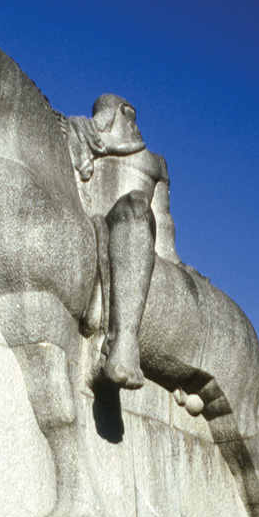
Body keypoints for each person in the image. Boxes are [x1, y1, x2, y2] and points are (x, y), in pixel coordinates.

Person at [67, 95, 186, 390]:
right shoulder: (81, 135)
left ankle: (124, 344)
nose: (135, 124)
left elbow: (164, 223)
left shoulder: (155, 163)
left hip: (135, 227)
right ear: (115, 114)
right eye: (129, 115)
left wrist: (179, 266)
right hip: (89, 223)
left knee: (134, 205)